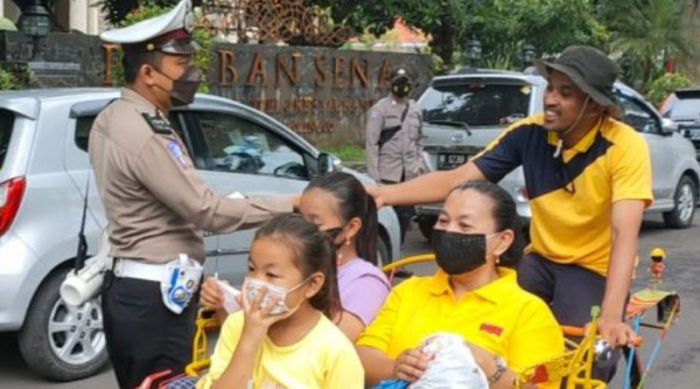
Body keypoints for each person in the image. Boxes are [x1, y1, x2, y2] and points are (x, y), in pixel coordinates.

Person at [369, 46, 653, 368]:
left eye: (566, 92)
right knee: (488, 325)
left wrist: (612, 317)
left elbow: (624, 233)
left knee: (584, 361)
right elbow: (457, 179)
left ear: (594, 105)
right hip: (540, 258)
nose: (550, 100)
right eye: (550, 87)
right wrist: (382, 195)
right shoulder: (528, 134)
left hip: (593, 269)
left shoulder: (625, 147)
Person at [90, 1, 294, 388]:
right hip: (153, 301)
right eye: (181, 65)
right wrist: (294, 204)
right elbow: (206, 210)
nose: (192, 74)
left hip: (141, 292)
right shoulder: (143, 130)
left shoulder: (117, 116)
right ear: (149, 73)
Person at [357, 181, 564, 388]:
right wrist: (397, 367)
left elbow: (540, 384)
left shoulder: (529, 312)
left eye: (464, 226)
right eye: (443, 221)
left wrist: (491, 369)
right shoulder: (408, 292)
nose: (449, 232)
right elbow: (362, 356)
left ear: (503, 241)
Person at [201, 172, 390, 341]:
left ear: (351, 227)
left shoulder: (366, 283)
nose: (303, 231)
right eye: (300, 219)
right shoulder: (293, 267)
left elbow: (324, 353)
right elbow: (238, 341)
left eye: (315, 224)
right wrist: (223, 304)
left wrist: (259, 319)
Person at [196, 214, 364, 389]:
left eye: (271, 275)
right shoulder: (237, 325)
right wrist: (251, 335)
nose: (257, 282)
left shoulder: (335, 351)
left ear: (312, 285)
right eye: (252, 269)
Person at [365, 67, 425, 243]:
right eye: (398, 82)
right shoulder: (380, 110)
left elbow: (420, 141)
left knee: (404, 220)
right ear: (390, 84)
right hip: (387, 175)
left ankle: (399, 263)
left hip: (409, 176)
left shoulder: (415, 109)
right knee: (386, 221)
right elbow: (371, 144)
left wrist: (418, 165)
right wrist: (374, 177)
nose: (402, 87)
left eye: (405, 82)